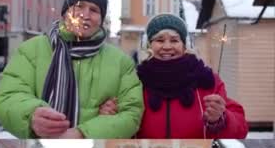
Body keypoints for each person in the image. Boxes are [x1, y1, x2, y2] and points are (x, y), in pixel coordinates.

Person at [0, 0, 144, 139]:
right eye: (79, 6)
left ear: (100, 20)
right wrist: (31, 115)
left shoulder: (121, 63)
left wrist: (83, 133)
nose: (85, 15)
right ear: (65, 11)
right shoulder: (30, 50)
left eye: (94, 10)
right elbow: (8, 96)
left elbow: (131, 113)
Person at [100, 13, 248, 138]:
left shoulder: (207, 81)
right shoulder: (132, 84)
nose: (167, 46)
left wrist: (222, 119)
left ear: (185, 46)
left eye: (174, 40)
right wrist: (110, 118)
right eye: (159, 40)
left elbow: (241, 129)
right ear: (148, 46)